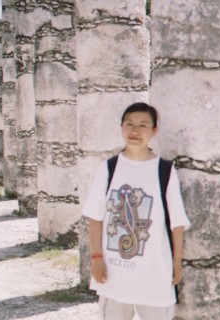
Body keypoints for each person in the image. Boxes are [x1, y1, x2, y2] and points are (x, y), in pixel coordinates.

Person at [82, 102, 191, 320]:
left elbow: (176, 224)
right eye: (129, 124)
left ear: (154, 131)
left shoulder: (164, 171)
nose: (135, 130)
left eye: (143, 125)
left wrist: (176, 263)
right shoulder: (108, 168)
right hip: (114, 275)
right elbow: (95, 217)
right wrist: (96, 258)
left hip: (154, 276)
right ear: (121, 127)